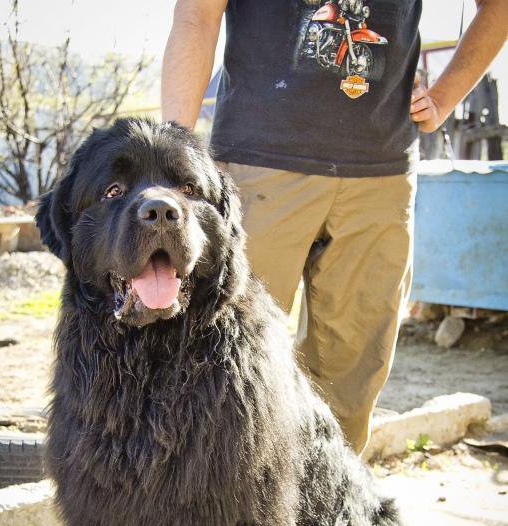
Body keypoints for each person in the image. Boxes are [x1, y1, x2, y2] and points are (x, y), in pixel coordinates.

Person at [162, 0, 507, 454]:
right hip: (256, 166)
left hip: (380, 173)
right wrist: (173, 155)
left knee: (349, 381)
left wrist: (444, 97)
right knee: (216, 361)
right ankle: (202, 513)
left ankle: (328, 516)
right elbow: (197, 15)